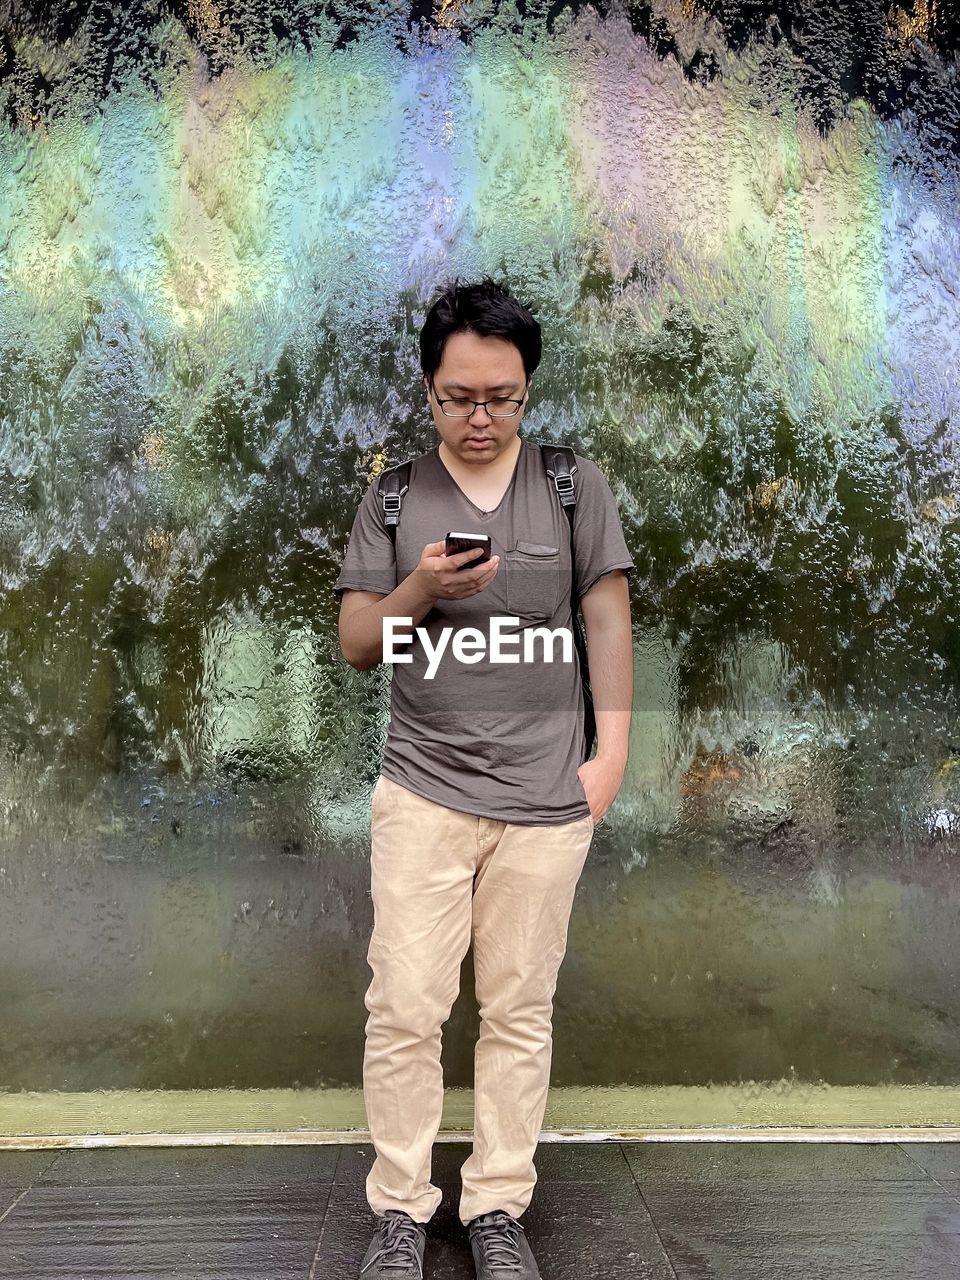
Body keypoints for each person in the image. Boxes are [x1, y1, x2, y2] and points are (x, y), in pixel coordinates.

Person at [333, 277, 634, 1279]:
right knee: (406, 1004)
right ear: (429, 392)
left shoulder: (570, 484)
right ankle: (400, 1210)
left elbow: (607, 620)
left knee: (518, 1008)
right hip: (421, 792)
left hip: (546, 804)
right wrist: (419, 586)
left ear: (527, 391)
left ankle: (498, 1201)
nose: (479, 416)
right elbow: (356, 642)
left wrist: (611, 758)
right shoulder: (390, 493)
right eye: (460, 396)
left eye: (501, 397)